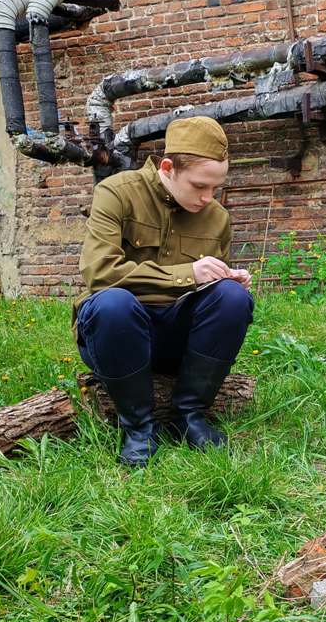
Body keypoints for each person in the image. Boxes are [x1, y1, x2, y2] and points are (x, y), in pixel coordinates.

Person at [74, 116, 255, 467]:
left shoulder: (217, 218)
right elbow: (99, 273)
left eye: (215, 188)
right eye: (200, 186)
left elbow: (207, 297)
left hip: (177, 342)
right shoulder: (116, 193)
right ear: (168, 167)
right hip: (116, 337)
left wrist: (224, 280)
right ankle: (139, 427)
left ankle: (190, 416)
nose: (208, 198)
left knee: (233, 299)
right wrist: (188, 273)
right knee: (112, 303)